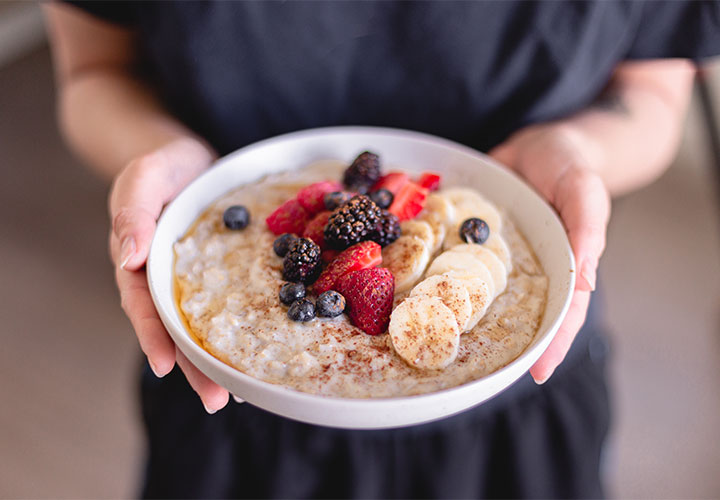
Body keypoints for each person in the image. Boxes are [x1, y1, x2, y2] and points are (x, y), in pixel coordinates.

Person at [44, 1, 719, 498]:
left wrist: (578, 153)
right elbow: (94, 72)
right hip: (232, 417)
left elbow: (651, 96)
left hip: (517, 409)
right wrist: (158, 156)